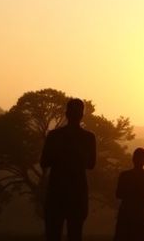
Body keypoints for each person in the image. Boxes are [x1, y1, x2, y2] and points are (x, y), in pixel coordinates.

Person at [40, 98, 97, 241]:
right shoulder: (89, 138)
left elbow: (44, 162)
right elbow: (91, 164)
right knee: (75, 235)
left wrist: (61, 157)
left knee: (53, 234)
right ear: (82, 115)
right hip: (77, 193)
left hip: (57, 192)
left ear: (66, 113)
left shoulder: (54, 136)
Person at [114, 148, 144, 241]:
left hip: (126, 213)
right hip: (140, 214)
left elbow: (118, 194)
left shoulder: (124, 175)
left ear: (133, 159)